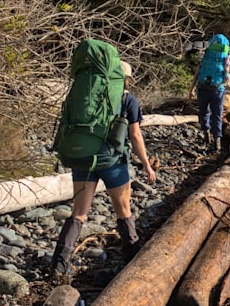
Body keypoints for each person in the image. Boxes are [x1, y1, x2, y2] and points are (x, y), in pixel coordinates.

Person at [50, 60, 157, 279]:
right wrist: (146, 164)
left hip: (83, 159)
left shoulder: (85, 97)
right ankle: (132, 257)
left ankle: (58, 266)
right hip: (112, 163)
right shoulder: (128, 99)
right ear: (126, 79)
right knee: (123, 210)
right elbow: (135, 136)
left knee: (79, 213)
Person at [189, 34, 230, 152]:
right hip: (217, 91)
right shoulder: (225, 57)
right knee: (217, 115)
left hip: (202, 89)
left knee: (203, 112)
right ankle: (217, 140)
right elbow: (227, 77)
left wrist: (191, 90)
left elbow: (196, 74)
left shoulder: (204, 55)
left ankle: (206, 132)